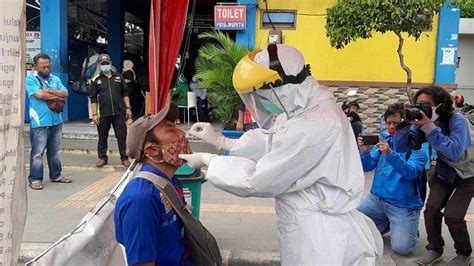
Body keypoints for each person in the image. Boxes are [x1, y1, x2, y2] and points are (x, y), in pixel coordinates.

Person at [180, 44, 383, 265]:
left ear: (280, 85)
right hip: (309, 220)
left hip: (317, 233)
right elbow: (275, 140)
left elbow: (258, 180)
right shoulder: (305, 106)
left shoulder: (314, 125)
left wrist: (209, 161)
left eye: (263, 93)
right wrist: (223, 142)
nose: (261, 100)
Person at [114, 102, 193, 265]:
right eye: (171, 129)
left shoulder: (169, 182)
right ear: (152, 151)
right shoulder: (141, 201)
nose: (181, 134)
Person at [408, 86, 474, 266]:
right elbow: (410, 145)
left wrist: (428, 126)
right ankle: (435, 249)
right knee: (431, 209)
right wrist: (407, 126)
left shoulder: (457, 120)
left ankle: (463, 253)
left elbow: (454, 151)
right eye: (419, 105)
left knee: (453, 215)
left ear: (440, 105)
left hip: (469, 173)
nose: (423, 108)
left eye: (427, 105)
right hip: (447, 170)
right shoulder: (424, 122)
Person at [357, 103, 428, 255]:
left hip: (402, 205)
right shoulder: (385, 141)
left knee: (402, 249)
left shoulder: (418, 147)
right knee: (352, 217)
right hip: (377, 199)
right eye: (388, 123)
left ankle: (409, 228)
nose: (391, 126)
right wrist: (364, 152)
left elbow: (411, 173)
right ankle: (387, 223)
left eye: (395, 123)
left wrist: (390, 154)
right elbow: (368, 166)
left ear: (405, 124)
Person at [26, 53, 72, 190]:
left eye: (48, 66)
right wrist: (54, 94)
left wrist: (49, 91)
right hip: (39, 122)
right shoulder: (30, 79)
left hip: (56, 121)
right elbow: (39, 95)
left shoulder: (55, 78)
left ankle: (56, 175)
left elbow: (65, 93)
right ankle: (35, 179)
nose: (46, 69)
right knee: (38, 152)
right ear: (36, 66)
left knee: (55, 151)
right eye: (43, 66)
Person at [89, 54, 132, 168]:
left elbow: (125, 93)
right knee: (102, 136)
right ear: (99, 65)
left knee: (122, 136)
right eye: (103, 64)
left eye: (107, 63)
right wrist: (94, 114)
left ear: (111, 63)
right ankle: (103, 158)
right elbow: (93, 98)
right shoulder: (96, 80)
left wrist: (128, 108)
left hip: (119, 112)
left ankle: (124, 158)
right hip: (103, 114)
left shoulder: (119, 77)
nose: (105, 65)